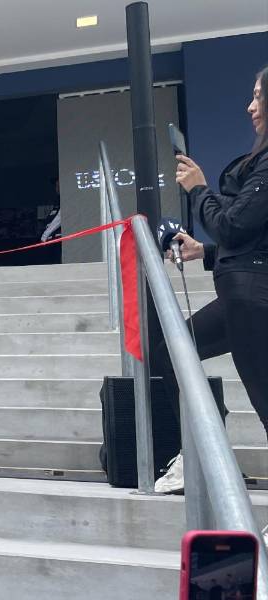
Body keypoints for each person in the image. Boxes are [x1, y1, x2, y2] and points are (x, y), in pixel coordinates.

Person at [153, 65, 268, 494]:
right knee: (172, 352)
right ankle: (202, 449)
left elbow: (235, 226)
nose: (250, 106)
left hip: (254, 296)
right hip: (240, 290)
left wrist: (199, 189)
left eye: (259, 96)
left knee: (265, 399)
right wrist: (206, 251)